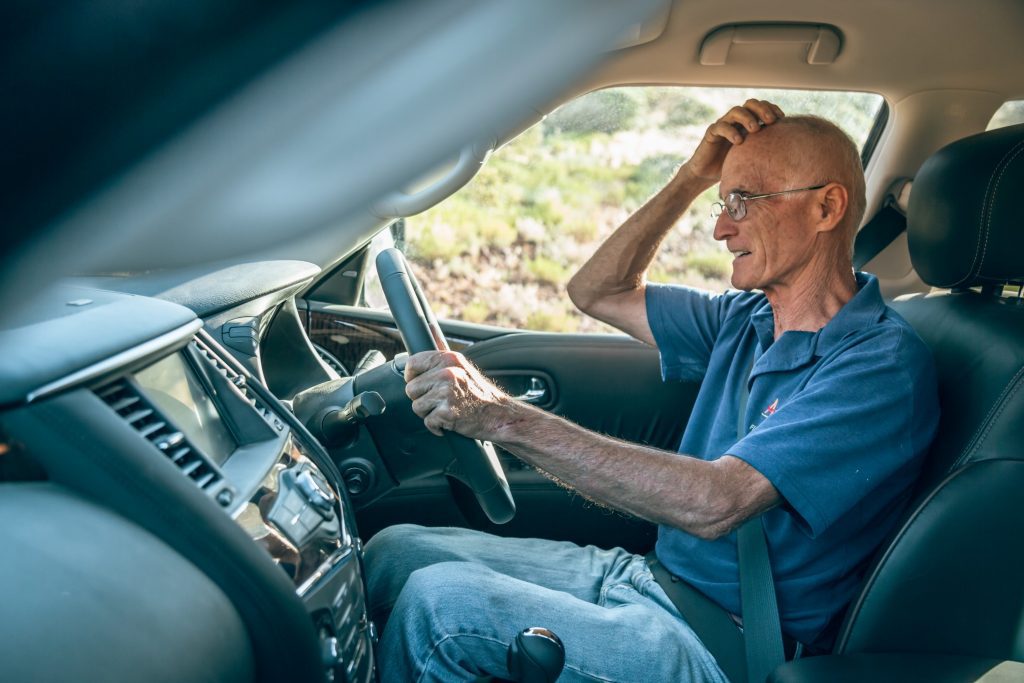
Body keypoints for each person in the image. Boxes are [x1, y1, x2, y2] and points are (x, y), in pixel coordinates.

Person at [363, 99, 939, 682]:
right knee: (393, 554)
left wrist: (499, 417)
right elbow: (597, 290)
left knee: (442, 607)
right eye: (721, 201)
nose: (719, 227)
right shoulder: (745, 319)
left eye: (744, 201)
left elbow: (717, 503)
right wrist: (692, 177)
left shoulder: (878, 366)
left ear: (827, 206)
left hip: (724, 641)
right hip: (645, 577)